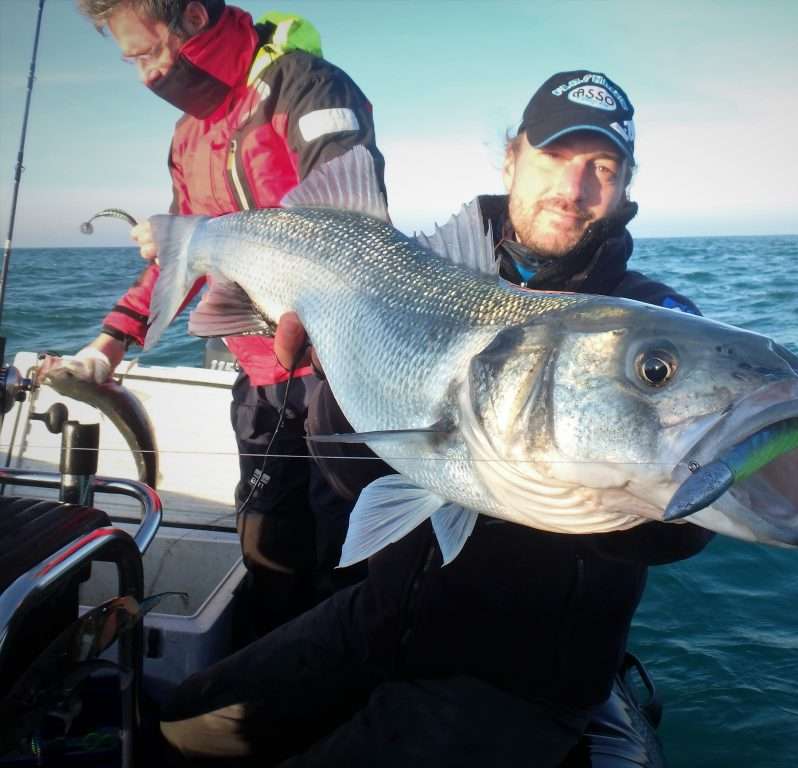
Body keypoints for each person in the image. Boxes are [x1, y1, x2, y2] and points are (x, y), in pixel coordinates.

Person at [155, 70, 714, 767]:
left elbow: (678, 529)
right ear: (511, 157)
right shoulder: (411, 269)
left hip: (516, 680)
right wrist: (330, 369)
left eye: (602, 167)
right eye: (554, 158)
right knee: (179, 725)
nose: (573, 190)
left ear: (627, 184)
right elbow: (354, 475)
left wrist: (680, 481)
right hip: (379, 618)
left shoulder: (652, 321)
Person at [44, 0, 387, 641]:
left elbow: (351, 221)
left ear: (194, 19)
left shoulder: (305, 86)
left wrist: (210, 238)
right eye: (131, 62)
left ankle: (348, 690)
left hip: (339, 376)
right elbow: (182, 259)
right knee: (265, 544)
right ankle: (269, 684)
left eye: (145, 53)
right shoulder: (187, 136)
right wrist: (109, 343)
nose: (143, 76)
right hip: (258, 381)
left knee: (347, 553)